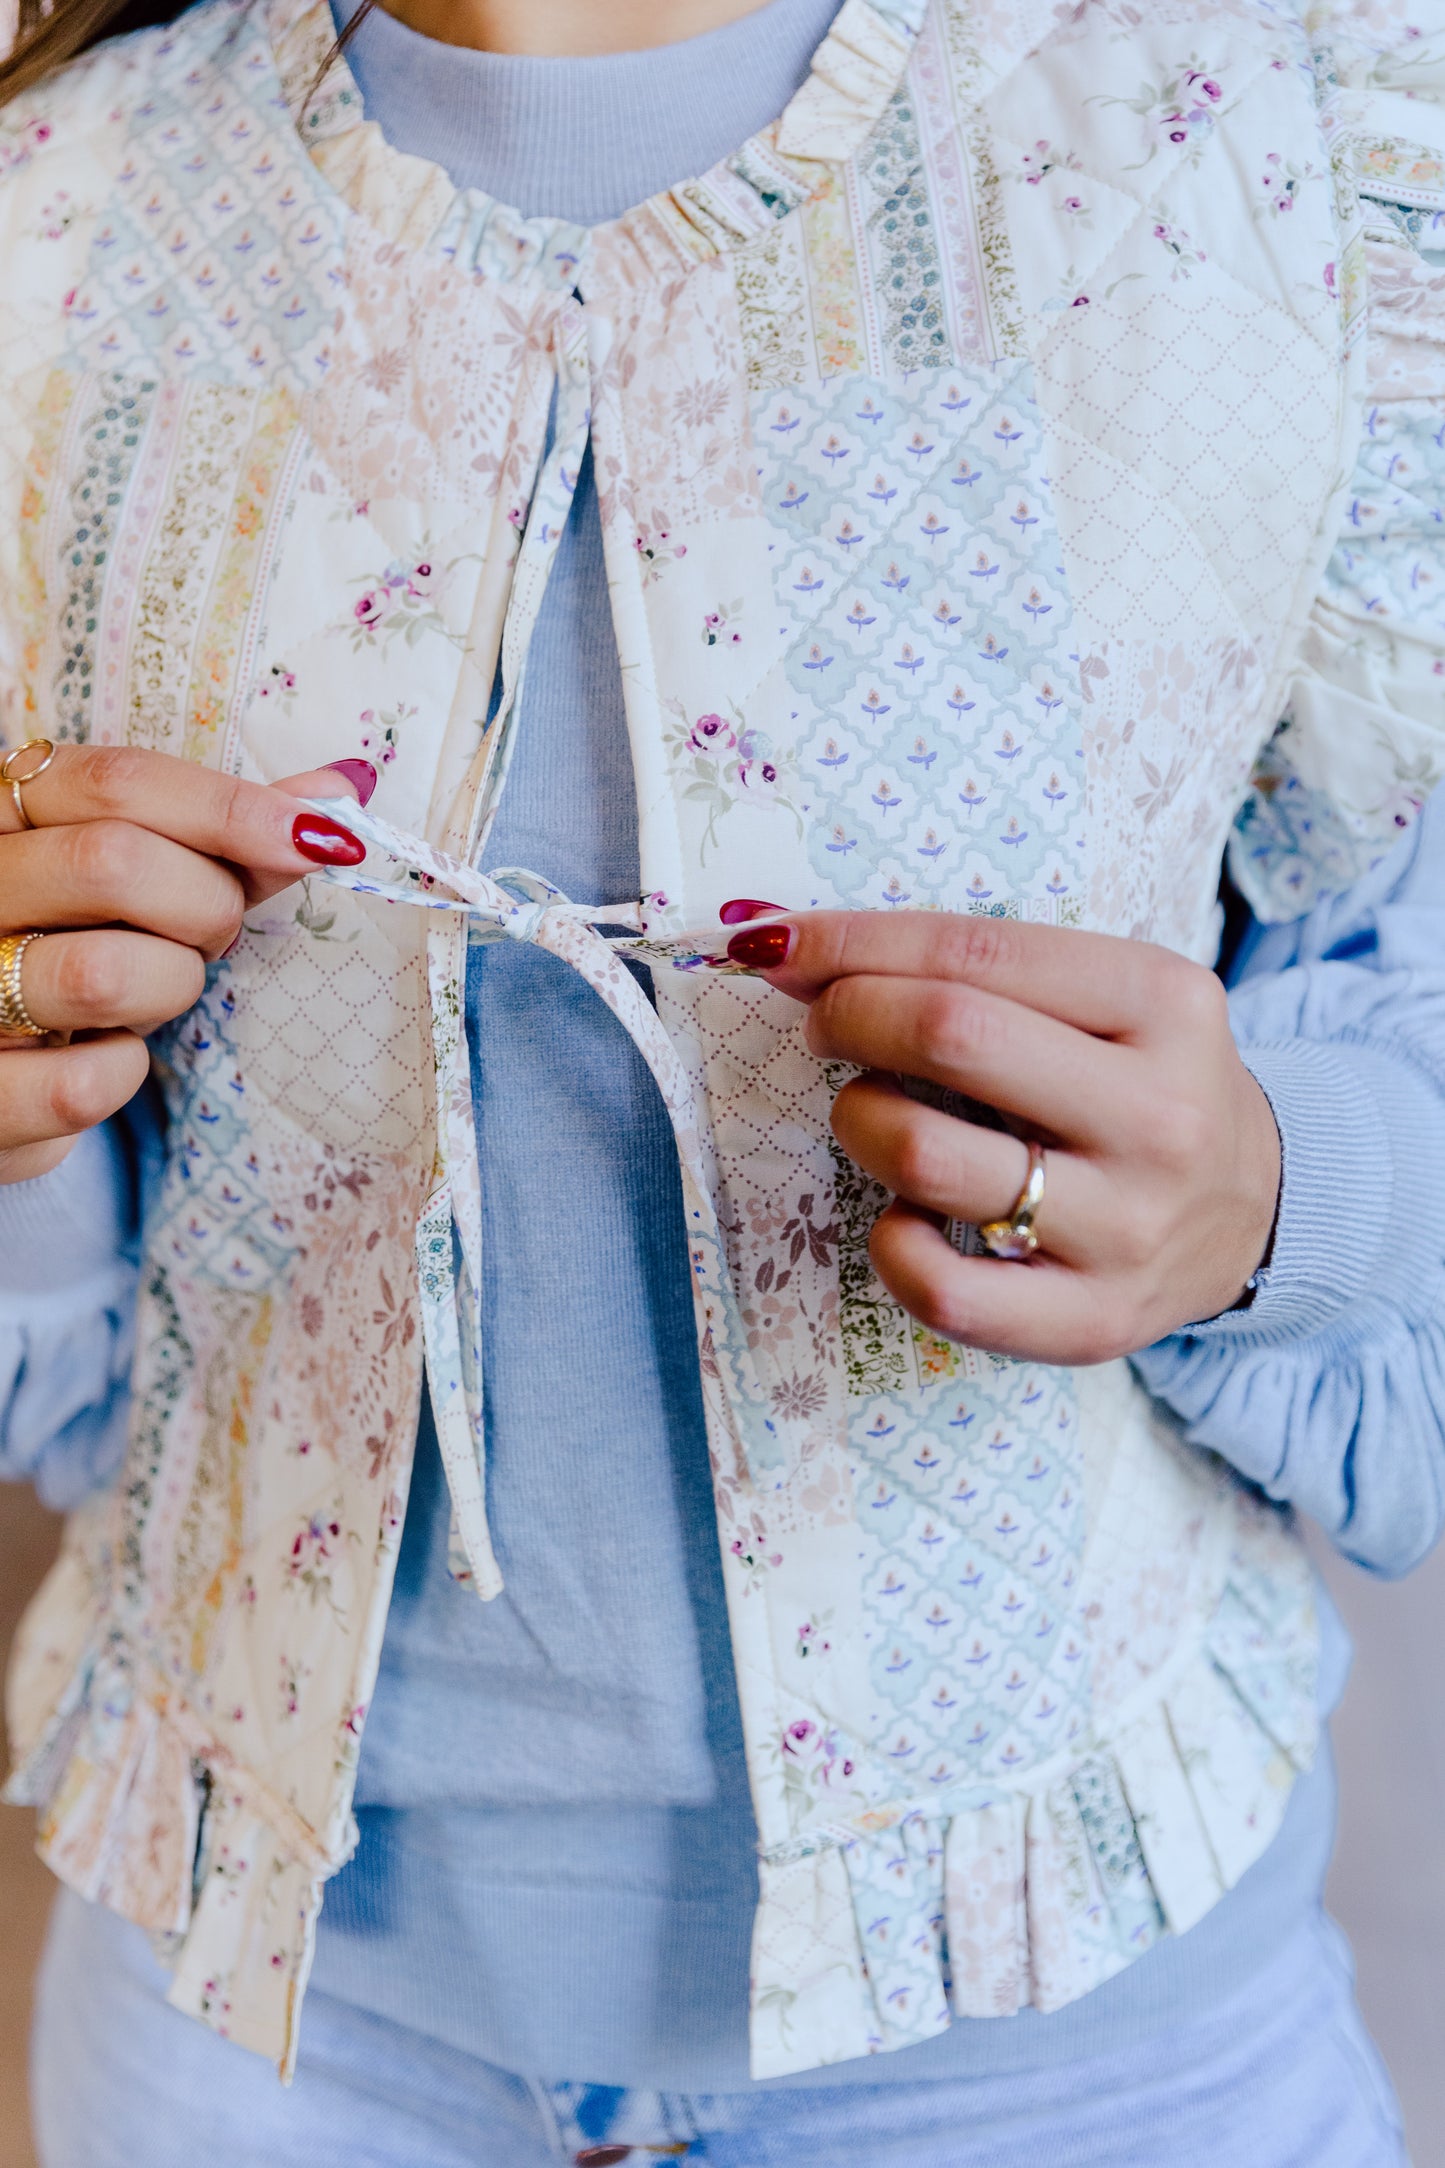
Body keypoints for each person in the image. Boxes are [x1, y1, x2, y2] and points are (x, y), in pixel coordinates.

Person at [0, 0, 1442, 2160]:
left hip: (1088, 2062)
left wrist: (1263, 1190)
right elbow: (75, 1374)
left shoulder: (1289, 143)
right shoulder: (57, 215)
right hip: (255, 2047)